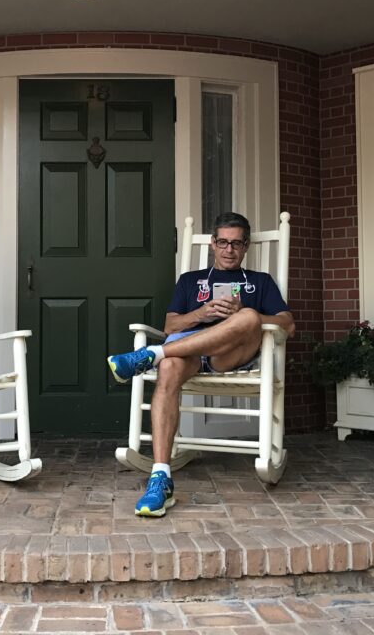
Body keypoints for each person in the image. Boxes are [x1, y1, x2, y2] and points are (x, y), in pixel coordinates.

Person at [107, 212, 295, 517]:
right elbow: (171, 325)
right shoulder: (190, 281)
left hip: (230, 356)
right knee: (170, 368)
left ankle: (151, 355)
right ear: (213, 243)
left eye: (236, 243)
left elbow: (288, 324)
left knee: (246, 318)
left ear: (246, 246)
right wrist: (203, 313)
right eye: (223, 242)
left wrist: (246, 314)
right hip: (189, 355)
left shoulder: (259, 283)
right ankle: (160, 478)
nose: (229, 250)